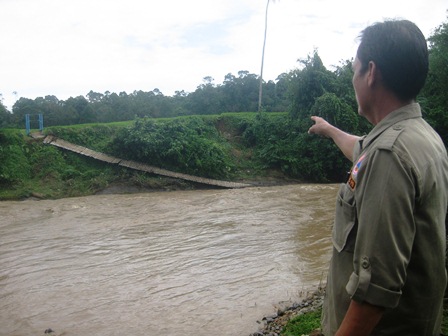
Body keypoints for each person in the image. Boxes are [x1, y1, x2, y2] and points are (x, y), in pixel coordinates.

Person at [308, 19, 448, 335]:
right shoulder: (422, 137)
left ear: (371, 73)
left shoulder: (390, 156)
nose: (353, 80)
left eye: (354, 71)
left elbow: (376, 292)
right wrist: (329, 130)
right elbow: (362, 150)